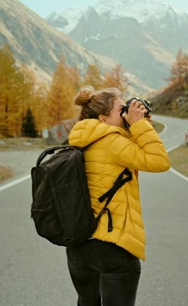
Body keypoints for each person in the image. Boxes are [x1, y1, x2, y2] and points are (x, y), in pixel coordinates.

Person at [66, 86, 171, 306]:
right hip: (112, 246)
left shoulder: (81, 141)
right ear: (103, 118)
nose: (126, 113)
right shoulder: (112, 142)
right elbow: (160, 161)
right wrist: (139, 125)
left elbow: (121, 155)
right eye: (121, 109)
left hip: (79, 248)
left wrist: (138, 126)